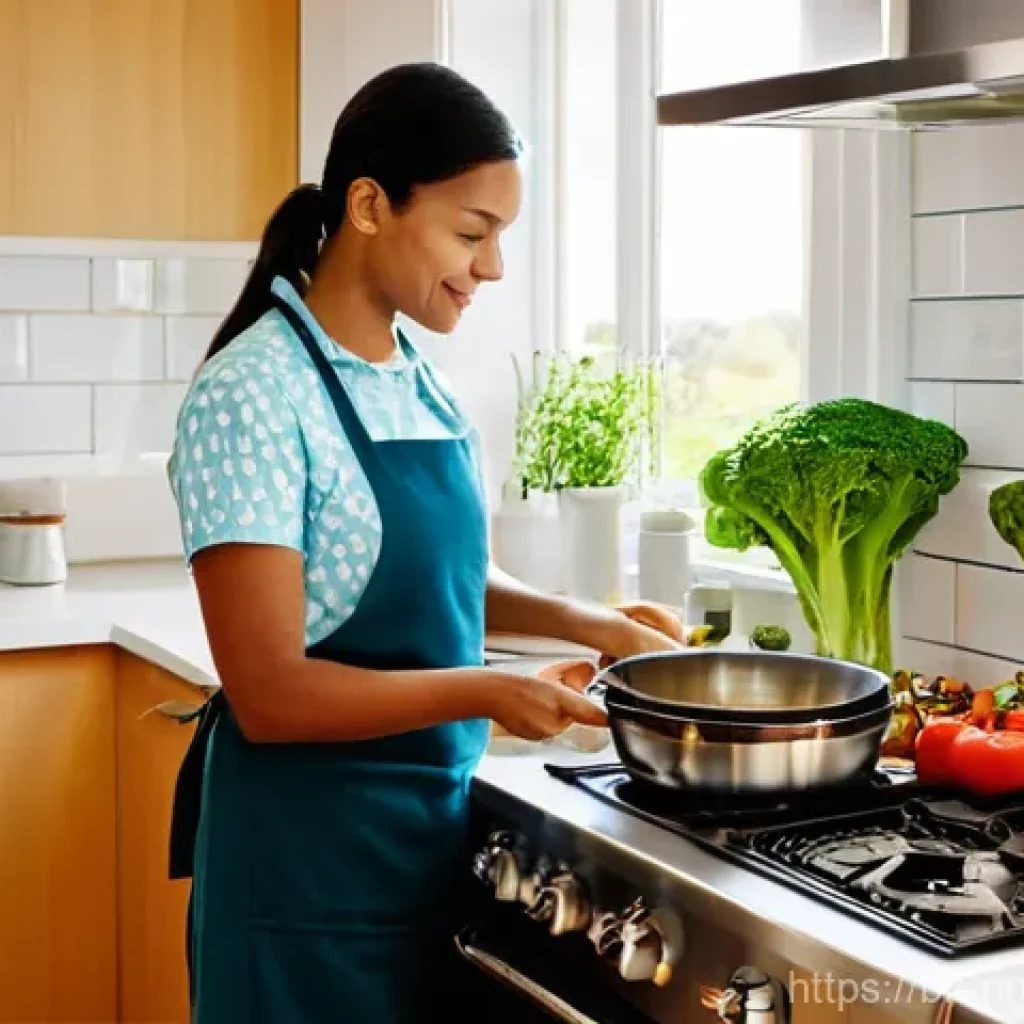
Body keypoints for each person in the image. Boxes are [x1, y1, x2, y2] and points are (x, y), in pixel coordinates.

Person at [167, 62, 681, 1024]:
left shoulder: (417, 379)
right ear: (369, 206)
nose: (493, 268)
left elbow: (448, 576)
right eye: (472, 234)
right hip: (299, 877)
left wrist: (598, 623)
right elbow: (270, 695)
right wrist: (488, 690)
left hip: (421, 853)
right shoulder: (252, 394)